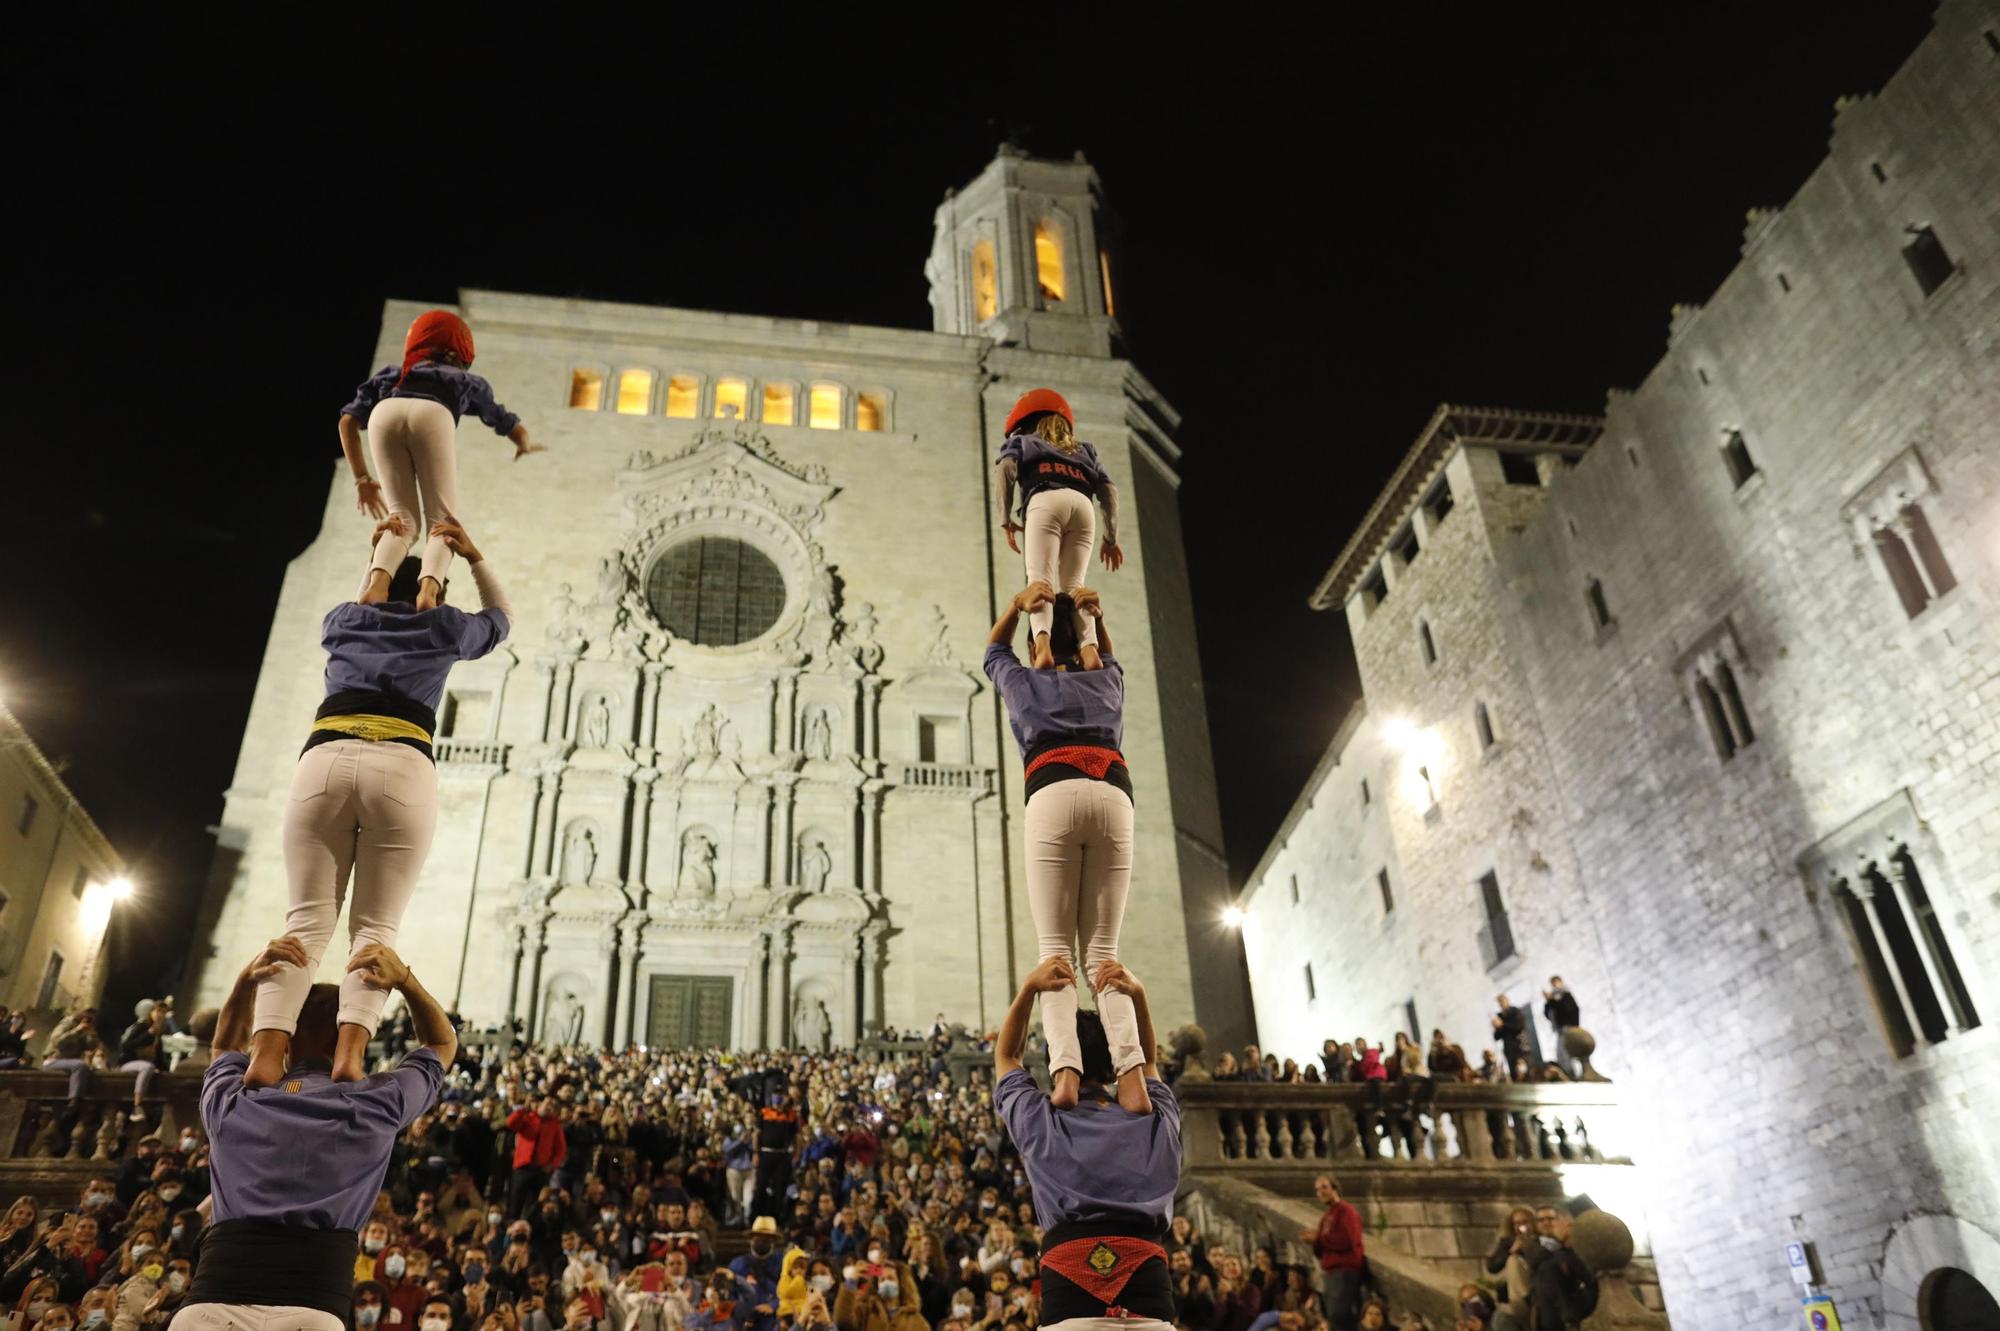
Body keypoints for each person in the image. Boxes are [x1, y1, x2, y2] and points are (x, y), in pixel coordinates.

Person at [245, 517, 511, 1090]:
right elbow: (501, 619)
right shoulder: (442, 628)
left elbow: (367, 594)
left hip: (324, 758)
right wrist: (473, 556)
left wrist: (381, 557)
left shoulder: (343, 621)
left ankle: (266, 1053)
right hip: (403, 764)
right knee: (374, 930)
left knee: (306, 923)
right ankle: (350, 1056)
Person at [168, 936, 455, 1331]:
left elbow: (223, 1046)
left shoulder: (237, 1102)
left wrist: (245, 984)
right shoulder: (377, 1103)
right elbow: (441, 1044)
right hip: (312, 1308)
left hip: (212, 1305)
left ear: (285, 1036)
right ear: (351, 1038)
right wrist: (405, 980)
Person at [983, 583, 1147, 1114]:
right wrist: (1090, 616)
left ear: (1039, 648)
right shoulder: (1106, 681)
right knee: (1104, 957)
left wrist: (1017, 606)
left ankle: (1067, 1074)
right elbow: (1112, 654)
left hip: (1052, 791)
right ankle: (1132, 1076)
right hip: (1112, 794)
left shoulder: (1027, 685)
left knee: (1055, 954)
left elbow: (992, 652)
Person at [992, 956, 1177, 1331]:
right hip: (1151, 1295)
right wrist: (1136, 996)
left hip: (1069, 1297)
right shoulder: (1154, 1115)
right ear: (1114, 1067)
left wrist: (1029, 989)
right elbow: (1150, 1062)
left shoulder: (1039, 1119)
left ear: (1054, 1061)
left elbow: (1006, 1056)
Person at [338, 309, 543, 611]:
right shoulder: (463, 379)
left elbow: (347, 423)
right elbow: (507, 422)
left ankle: (376, 589)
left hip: (386, 412)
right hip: (433, 414)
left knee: (403, 521)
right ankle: (428, 595)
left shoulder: (391, 374)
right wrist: (523, 442)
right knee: (442, 522)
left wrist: (362, 480)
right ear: (459, 353)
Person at [992, 390, 1123, 672]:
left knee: (1041, 583)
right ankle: (1090, 651)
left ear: (1026, 422)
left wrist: (1004, 519)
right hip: (1083, 507)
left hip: (1045, 499)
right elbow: (1109, 492)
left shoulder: (1023, 441)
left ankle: (1042, 648)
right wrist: (1110, 538)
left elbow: (1005, 470)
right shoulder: (1086, 450)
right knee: (1075, 586)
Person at [1300, 1176, 1363, 1331]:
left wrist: (1319, 1238)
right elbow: (1322, 1250)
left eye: (1324, 1187)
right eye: (1317, 1189)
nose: (1320, 1192)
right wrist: (1314, 1241)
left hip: (1344, 1271)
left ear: (1334, 1189)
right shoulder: (1327, 1217)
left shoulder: (1346, 1211)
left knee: (1339, 1317)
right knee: (1333, 1317)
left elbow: (1347, 1240)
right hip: (1331, 1271)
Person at [1523, 1208, 1595, 1331]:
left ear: (1559, 1221)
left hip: (1572, 1294)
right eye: (1541, 1220)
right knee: (1548, 1268)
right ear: (1536, 1224)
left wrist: (1569, 1246)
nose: (1546, 1223)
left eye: (1550, 1219)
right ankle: (1568, 1319)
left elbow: (1585, 1275)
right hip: (1545, 1298)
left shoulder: (1570, 1244)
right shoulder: (1532, 1243)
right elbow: (1537, 1258)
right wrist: (1561, 1242)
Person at [506, 1100, 568, 1223]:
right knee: (515, 1203)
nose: (549, 1107)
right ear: (538, 1105)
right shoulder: (527, 1118)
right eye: (547, 1104)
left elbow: (561, 1149)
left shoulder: (555, 1125)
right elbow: (510, 1123)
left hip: (541, 1170)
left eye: (552, 1106)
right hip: (522, 1168)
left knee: (536, 1204)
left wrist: (552, 1165)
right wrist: (521, 1110)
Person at [116, 1003, 171, 1123]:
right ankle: (137, 1105)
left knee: (151, 1068)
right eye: (158, 1011)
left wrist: (167, 1072)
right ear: (151, 1013)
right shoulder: (141, 1026)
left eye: (163, 1012)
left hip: (146, 1067)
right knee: (148, 1067)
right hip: (128, 1064)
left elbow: (158, 1057)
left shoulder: (158, 1034)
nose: (160, 1015)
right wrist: (148, 1034)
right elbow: (126, 1047)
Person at [1540, 980, 1580, 1079]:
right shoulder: (1554, 998)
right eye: (1552, 984)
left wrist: (1551, 1000)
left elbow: (1567, 1010)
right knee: (1561, 1056)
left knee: (1567, 1055)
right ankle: (1569, 1076)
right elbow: (1548, 1014)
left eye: (1555, 983)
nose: (1554, 986)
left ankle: (1573, 1076)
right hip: (1560, 1030)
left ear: (1561, 982)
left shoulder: (1566, 996)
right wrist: (1548, 1001)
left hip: (1568, 1029)